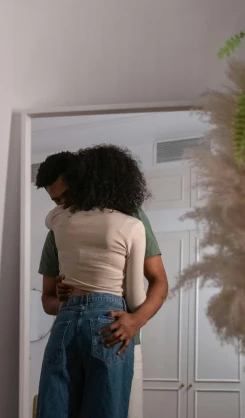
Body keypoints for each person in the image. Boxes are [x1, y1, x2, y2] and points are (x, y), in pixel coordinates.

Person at [34, 149, 169, 418]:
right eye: (56, 200)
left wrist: (136, 320)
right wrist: (61, 300)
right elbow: (47, 300)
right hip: (88, 322)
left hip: (121, 331)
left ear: (84, 184)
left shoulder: (132, 216)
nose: (61, 205)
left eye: (66, 196)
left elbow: (159, 281)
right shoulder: (58, 231)